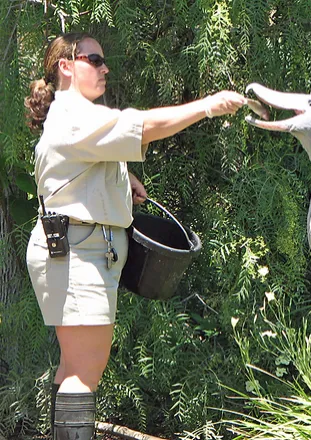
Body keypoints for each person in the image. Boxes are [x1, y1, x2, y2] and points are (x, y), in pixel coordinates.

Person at [24, 31, 246, 440]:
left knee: (74, 365)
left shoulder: (74, 115)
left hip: (72, 250)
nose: (104, 67)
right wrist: (208, 106)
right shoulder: (76, 113)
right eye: (94, 59)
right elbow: (146, 125)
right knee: (83, 373)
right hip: (76, 253)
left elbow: (78, 162)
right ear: (67, 67)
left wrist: (122, 176)